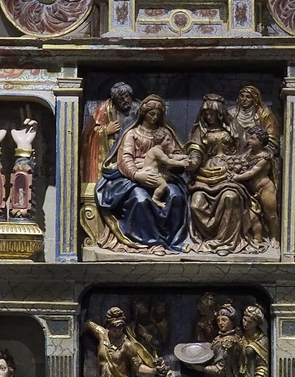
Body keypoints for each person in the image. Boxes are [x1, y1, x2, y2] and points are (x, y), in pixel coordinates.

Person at [95, 94, 192, 251]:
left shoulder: (165, 134)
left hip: (163, 175)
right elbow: (125, 158)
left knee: (176, 196)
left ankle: (173, 241)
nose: (154, 117)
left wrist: (183, 161)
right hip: (134, 178)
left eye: (158, 114)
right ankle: (151, 242)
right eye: (151, 114)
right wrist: (136, 174)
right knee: (141, 200)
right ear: (143, 113)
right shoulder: (132, 134)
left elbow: (174, 153)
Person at [186, 93, 259, 252]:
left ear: (220, 114)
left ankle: (226, 242)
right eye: (206, 114)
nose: (209, 117)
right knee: (196, 204)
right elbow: (195, 150)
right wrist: (193, 162)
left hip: (229, 172)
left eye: (212, 113)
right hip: (206, 174)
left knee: (230, 198)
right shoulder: (200, 131)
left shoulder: (234, 127)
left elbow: (248, 148)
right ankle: (209, 239)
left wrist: (238, 163)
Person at [80, 82, 137, 185]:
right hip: (112, 156)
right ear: (114, 99)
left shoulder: (138, 109)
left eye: (127, 97)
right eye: (121, 98)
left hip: (135, 152)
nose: (125, 100)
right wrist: (105, 131)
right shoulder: (104, 109)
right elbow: (88, 135)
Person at [229, 125, 279, 244]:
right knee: (252, 216)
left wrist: (237, 177)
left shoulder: (264, 157)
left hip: (265, 189)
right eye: (249, 138)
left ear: (261, 142)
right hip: (250, 190)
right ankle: (257, 238)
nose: (248, 141)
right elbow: (240, 162)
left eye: (252, 139)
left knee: (270, 215)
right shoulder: (249, 152)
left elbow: (252, 172)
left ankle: (274, 237)